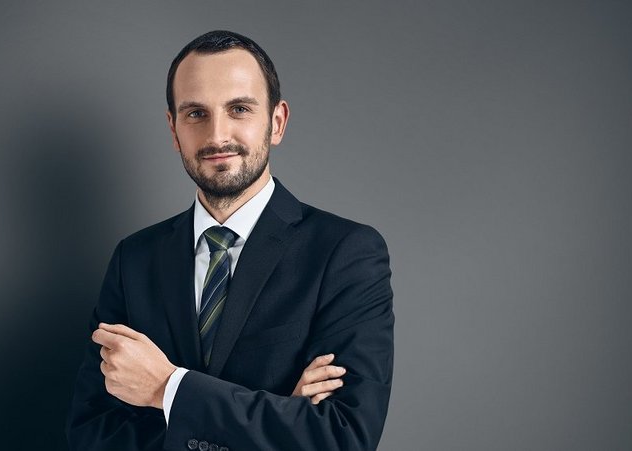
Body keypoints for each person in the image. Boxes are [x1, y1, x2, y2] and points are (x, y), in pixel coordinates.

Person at [67, 30, 394, 451]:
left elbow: (340, 436)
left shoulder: (345, 253)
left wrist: (168, 387)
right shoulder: (134, 260)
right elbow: (93, 435)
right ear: (173, 130)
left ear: (277, 122)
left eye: (239, 109)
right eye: (195, 113)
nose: (217, 135)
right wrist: (280, 417)